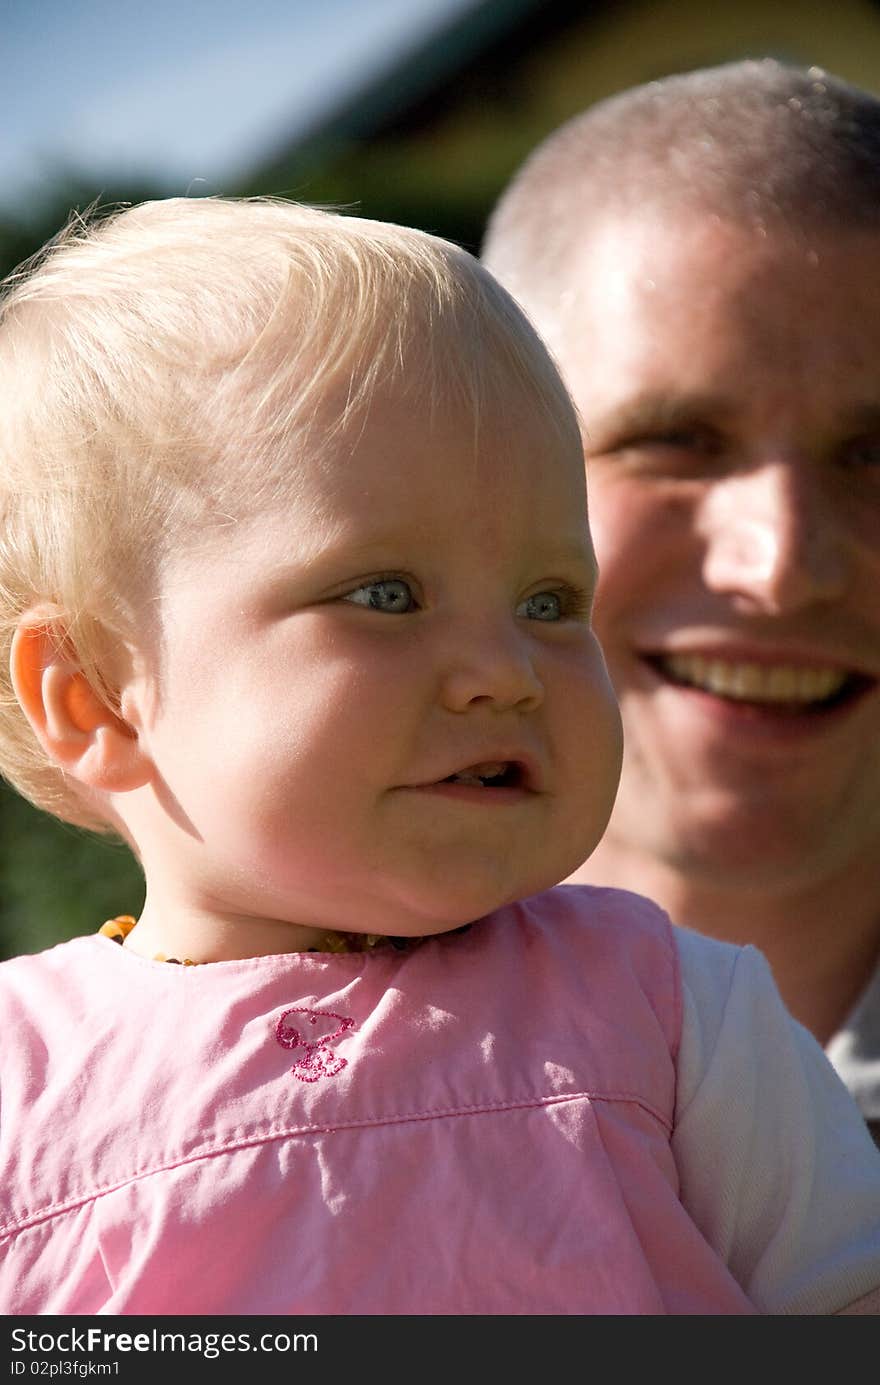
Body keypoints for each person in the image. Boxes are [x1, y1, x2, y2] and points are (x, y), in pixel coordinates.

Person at [0, 198, 878, 1318]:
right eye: (384, 594)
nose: (504, 668)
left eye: (549, 600)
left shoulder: (673, 1009)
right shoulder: (20, 1080)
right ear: (94, 692)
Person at [482, 58, 880, 1143]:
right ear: (475, 469)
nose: (781, 562)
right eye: (674, 443)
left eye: (873, 453)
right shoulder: (211, 1113)